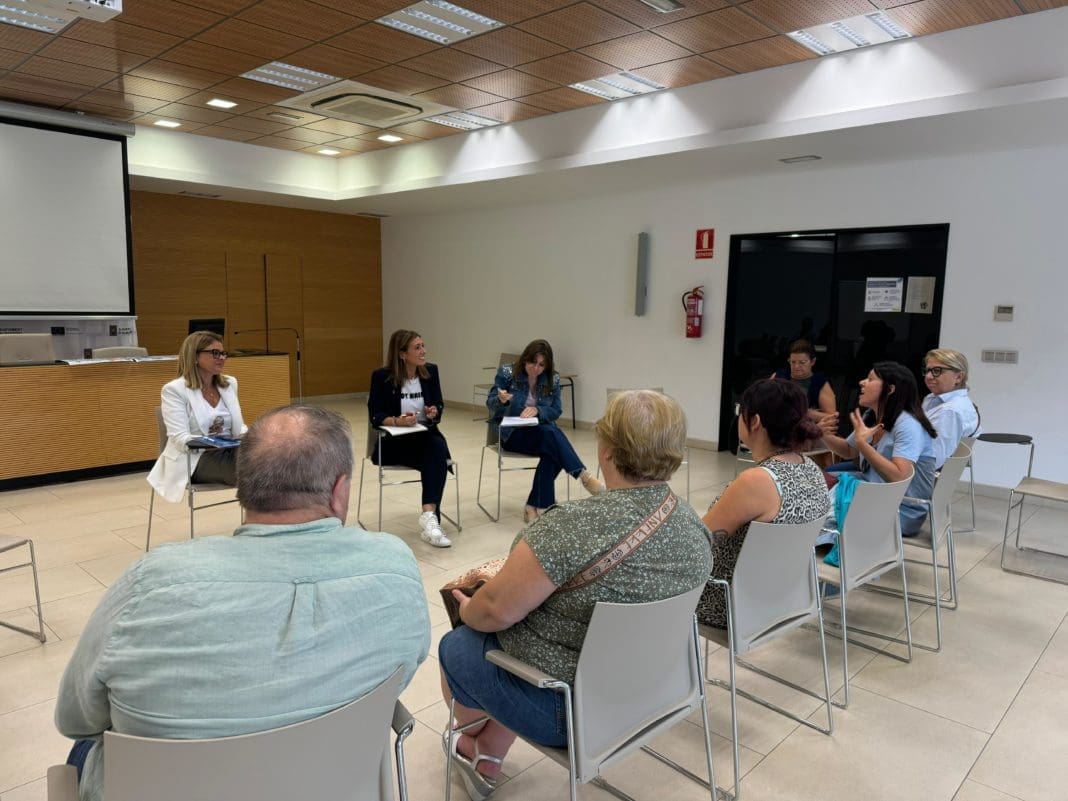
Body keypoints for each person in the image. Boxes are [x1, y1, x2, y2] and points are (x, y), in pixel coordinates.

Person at [56, 406, 431, 801]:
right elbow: (403, 672)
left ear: (242, 485)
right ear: (340, 491)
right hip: (334, 784)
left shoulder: (149, 584)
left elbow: (76, 719)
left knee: (86, 749)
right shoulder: (396, 566)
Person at [438, 390, 712, 800]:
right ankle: (488, 749)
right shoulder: (694, 525)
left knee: (458, 645)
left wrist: (470, 609)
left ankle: (474, 743)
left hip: (571, 713)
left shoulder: (566, 527)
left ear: (606, 451)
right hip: (661, 688)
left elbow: (495, 611)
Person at [696, 379, 830, 629]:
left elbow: (698, 543)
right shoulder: (811, 468)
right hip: (783, 597)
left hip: (729, 603)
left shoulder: (757, 481)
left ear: (755, 421)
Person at [486, 339, 603, 523]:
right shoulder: (507, 372)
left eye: (541, 365)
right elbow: (490, 402)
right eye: (533, 363)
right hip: (511, 434)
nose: (536, 368)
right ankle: (583, 476)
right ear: (525, 359)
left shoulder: (552, 378)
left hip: (540, 434)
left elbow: (556, 410)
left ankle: (532, 507)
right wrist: (501, 400)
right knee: (554, 440)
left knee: (552, 446)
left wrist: (538, 410)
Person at [819, 361, 938, 536]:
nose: (862, 382)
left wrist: (863, 445)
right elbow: (848, 450)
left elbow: (899, 477)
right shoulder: (872, 415)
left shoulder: (907, 424)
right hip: (875, 495)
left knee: (818, 503)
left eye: (870, 379)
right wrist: (820, 434)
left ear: (890, 389)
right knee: (815, 481)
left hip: (900, 510)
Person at [368, 329, 454, 547]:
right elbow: (375, 416)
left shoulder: (430, 371)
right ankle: (432, 521)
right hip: (394, 442)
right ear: (402, 354)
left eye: (423, 346)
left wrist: (434, 412)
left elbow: (438, 405)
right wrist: (397, 421)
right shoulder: (382, 377)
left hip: (424, 439)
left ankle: (429, 516)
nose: (423, 351)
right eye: (417, 348)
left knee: (435, 448)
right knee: (436, 454)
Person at [147, 330, 246, 503]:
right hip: (195, 458)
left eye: (223, 353)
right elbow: (180, 438)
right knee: (258, 470)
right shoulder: (174, 390)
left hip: (229, 452)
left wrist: (255, 437)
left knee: (273, 456)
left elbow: (239, 427)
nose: (222, 358)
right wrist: (216, 444)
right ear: (194, 356)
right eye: (215, 353)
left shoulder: (229, 383)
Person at [921, 348, 981, 467]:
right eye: (927, 371)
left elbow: (932, 460)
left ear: (958, 377)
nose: (928, 376)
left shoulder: (950, 411)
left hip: (919, 473)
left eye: (937, 371)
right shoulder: (932, 398)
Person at [770, 339, 836, 421]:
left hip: (806, 427)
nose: (796, 367)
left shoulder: (819, 383)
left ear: (812, 362)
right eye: (793, 362)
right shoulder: (778, 376)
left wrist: (808, 414)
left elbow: (833, 418)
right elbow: (763, 403)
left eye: (802, 362)